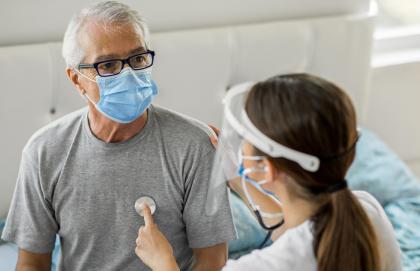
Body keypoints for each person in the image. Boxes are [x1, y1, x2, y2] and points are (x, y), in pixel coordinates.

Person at [1, 1, 235, 270]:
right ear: (76, 79)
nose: (128, 75)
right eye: (108, 65)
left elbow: (213, 260)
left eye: (137, 59)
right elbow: (32, 263)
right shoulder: (44, 152)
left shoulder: (194, 145)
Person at [134, 74, 402, 271]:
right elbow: (295, 233)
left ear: (267, 168)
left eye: (247, 137)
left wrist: (163, 261)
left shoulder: (262, 266)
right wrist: (239, 180)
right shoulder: (366, 210)